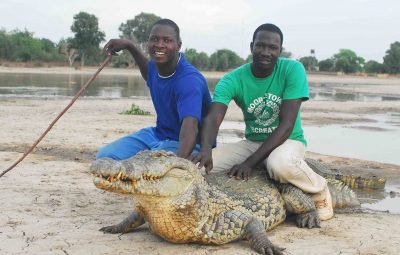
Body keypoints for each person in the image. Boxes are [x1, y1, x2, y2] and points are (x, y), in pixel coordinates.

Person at [191, 23, 333, 221]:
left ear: (280, 51)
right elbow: (213, 118)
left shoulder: (293, 69)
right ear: (252, 47)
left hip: (288, 140)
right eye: (260, 46)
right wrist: (205, 149)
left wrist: (250, 163)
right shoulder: (232, 79)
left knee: (279, 164)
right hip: (253, 142)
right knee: (196, 168)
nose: (266, 52)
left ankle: (319, 188)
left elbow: (287, 125)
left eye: (272, 47)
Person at [97, 19, 211, 160]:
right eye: (154, 39)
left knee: (148, 165)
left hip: (189, 143)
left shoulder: (189, 80)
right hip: (158, 134)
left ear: (178, 46)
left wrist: (178, 163)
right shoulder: (155, 68)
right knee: (105, 156)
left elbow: (191, 126)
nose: (159, 45)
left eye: (167, 40)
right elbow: (148, 72)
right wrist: (129, 45)